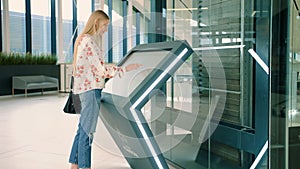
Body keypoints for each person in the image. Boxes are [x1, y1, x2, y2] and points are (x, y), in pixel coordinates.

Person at [68, 10, 141, 169]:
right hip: (91, 90)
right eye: (105, 25)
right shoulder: (90, 42)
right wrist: (125, 69)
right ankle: (84, 166)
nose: (106, 29)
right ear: (96, 24)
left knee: (82, 129)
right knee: (88, 133)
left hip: (83, 90)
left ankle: (74, 164)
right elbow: (100, 70)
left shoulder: (82, 40)